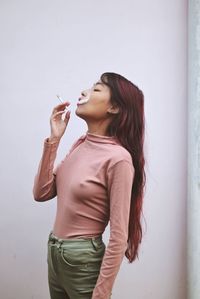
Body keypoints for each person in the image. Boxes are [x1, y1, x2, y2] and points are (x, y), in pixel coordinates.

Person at [33, 72, 145, 299]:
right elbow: (41, 192)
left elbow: (118, 236)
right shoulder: (81, 144)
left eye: (96, 89)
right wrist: (54, 139)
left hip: (83, 261)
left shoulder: (118, 159)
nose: (84, 92)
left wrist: (101, 293)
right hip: (55, 252)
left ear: (113, 108)